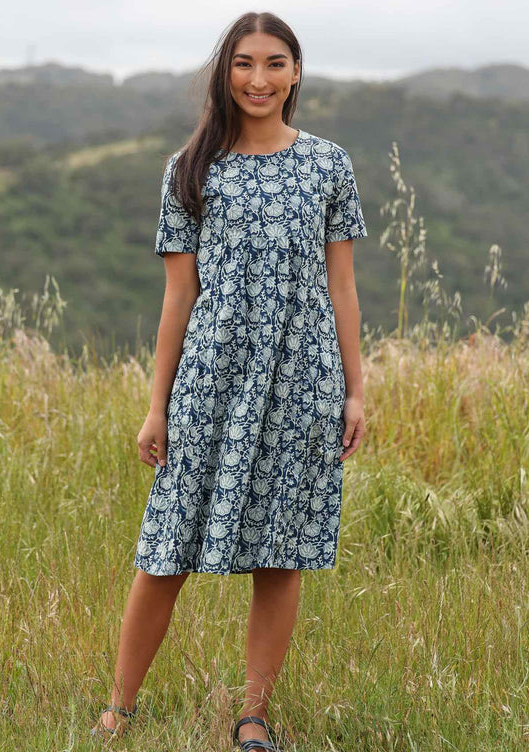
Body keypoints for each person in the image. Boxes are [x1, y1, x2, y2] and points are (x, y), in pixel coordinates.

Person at [91, 10, 368, 751]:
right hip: (210, 379)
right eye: (244, 63)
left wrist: (354, 389)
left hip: (301, 378)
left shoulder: (328, 163)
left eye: (275, 63)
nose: (259, 79)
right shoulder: (189, 169)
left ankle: (253, 717)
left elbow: (341, 288)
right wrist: (157, 407)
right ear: (225, 72)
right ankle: (118, 709)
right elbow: (178, 297)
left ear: (296, 72)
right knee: (165, 548)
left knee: (280, 554)